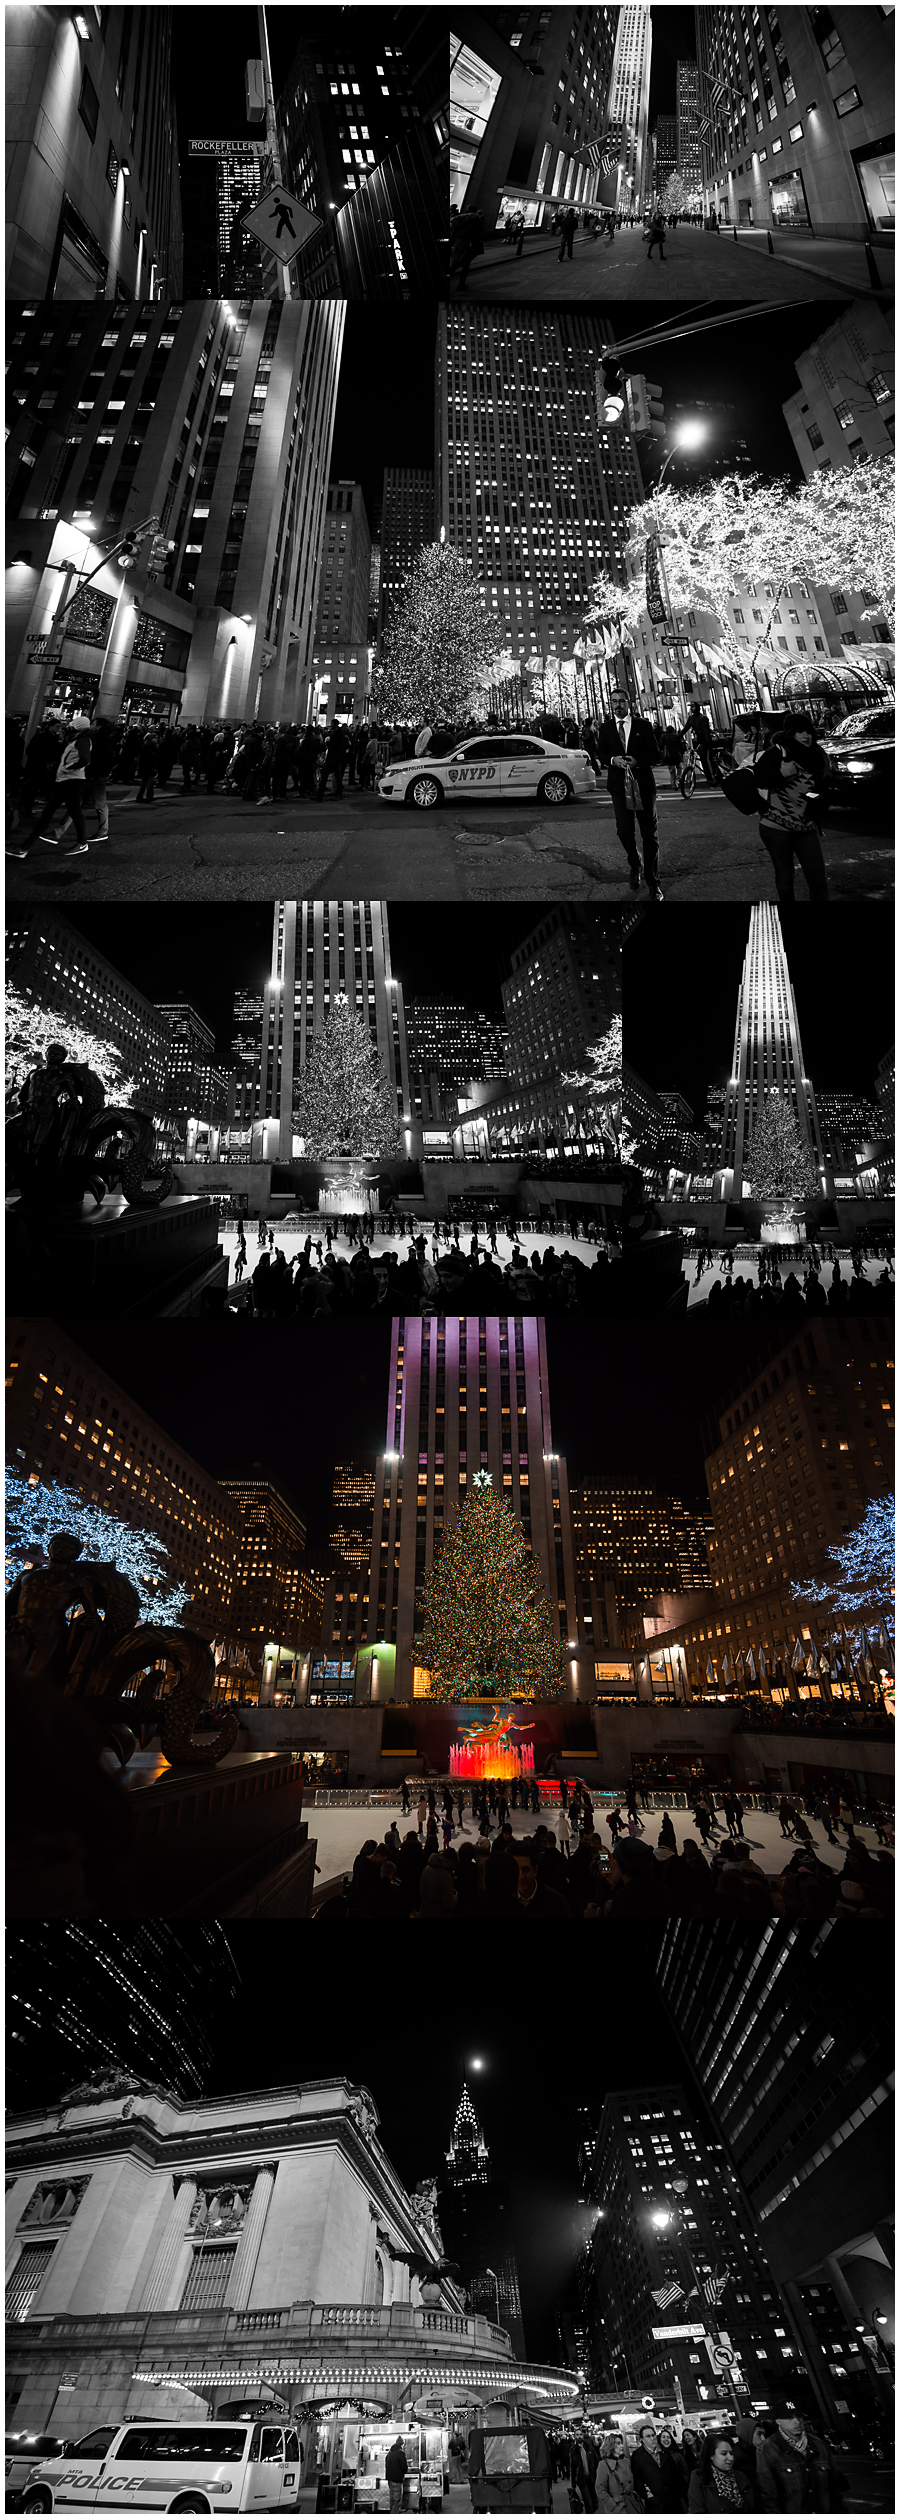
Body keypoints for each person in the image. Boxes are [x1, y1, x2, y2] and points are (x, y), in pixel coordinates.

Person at [752, 714, 830, 902]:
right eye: (799, 731)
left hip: (806, 825)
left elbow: (824, 787)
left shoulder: (818, 755)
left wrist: (821, 801)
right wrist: (781, 774)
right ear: (790, 733)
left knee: (818, 880)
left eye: (808, 731)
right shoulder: (778, 752)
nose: (805, 736)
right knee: (785, 877)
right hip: (775, 826)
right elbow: (757, 779)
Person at [596, 690, 663, 898]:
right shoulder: (606, 728)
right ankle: (636, 863)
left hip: (643, 784)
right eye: (614, 702)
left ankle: (653, 882)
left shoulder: (643, 725)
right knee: (624, 831)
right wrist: (612, 760)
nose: (618, 705)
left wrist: (638, 761)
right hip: (619, 785)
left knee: (649, 835)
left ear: (629, 703)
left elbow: (655, 754)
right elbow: (601, 752)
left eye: (621, 701)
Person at [16, 717, 93, 858]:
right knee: (54, 812)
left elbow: (85, 759)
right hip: (67, 780)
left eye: (73, 724)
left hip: (71, 780)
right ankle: (25, 847)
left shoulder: (82, 740)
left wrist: (68, 767)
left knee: (64, 812)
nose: (67, 726)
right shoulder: (77, 739)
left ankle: (25, 847)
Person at [755, 2406, 845, 2511]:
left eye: (799, 2416)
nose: (797, 2421)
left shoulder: (819, 2445)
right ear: (778, 2421)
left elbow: (834, 2488)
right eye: (789, 2417)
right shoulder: (767, 2449)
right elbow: (769, 2494)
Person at [688, 2432, 754, 2512]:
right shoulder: (699, 2478)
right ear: (711, 2455)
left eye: (731, 2453)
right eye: (724, 2453)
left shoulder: (740, 2476)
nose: (730, 2458)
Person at [385, 2436, 409, 2512]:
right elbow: (404, 2468)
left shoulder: (389, 2453)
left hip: (390, 2480)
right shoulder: (401, 2453)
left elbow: (386, 2465)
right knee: (397, 2502)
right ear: (402, 2444)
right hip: (397, 2480)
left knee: (392, 2501)